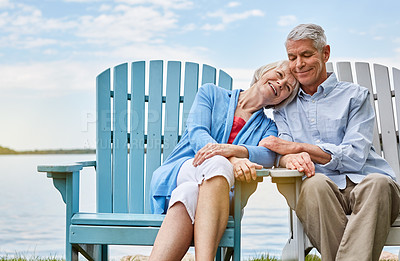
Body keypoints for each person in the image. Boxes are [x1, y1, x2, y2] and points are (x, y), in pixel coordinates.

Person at [259, 23, 400, 261]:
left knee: (378, 182)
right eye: (292, 57)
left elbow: (355, 156)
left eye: (306, 55)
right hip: (320, 191)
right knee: (314, 185)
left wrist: (300, 147)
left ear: (325, 53)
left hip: (368, 187)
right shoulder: (283, 108)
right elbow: (284, 150)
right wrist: (288, 157)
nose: (298, 64)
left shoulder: (356, 96)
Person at [148, 60, 299, 261]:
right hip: (180, 172)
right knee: (218, 165)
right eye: (279, 75)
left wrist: (233, 150)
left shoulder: (268, 127)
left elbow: (268, 155)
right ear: (265, 71)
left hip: (219, 197)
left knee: (188, 192)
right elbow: (197, 133)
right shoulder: (211, 93)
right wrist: (234, 160)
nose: (280, 84)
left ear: (284, 99)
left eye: (287, 87)